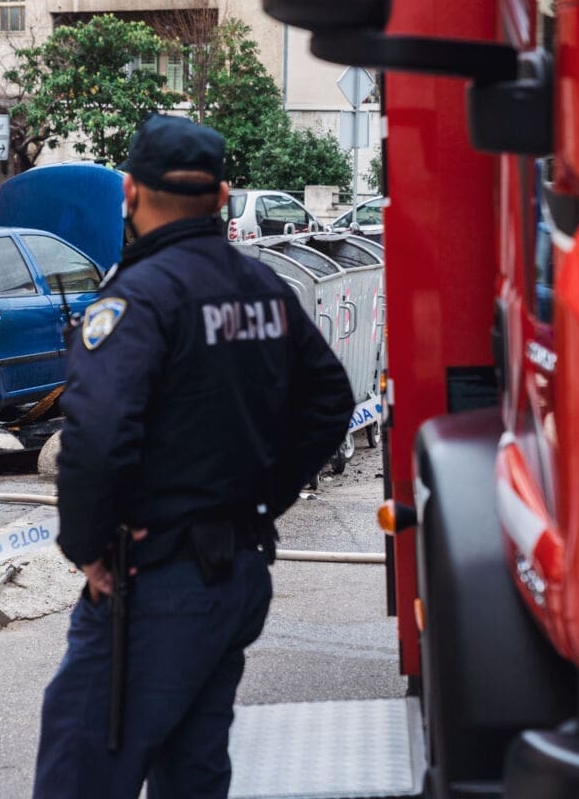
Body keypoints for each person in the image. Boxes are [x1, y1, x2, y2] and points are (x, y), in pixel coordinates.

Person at [33, 114, 354, 798]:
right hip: (235, 574)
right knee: (193, 772)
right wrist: (261, 501)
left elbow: (98, 435)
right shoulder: (263, 288)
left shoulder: (138, 298)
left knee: (80, 773)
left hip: (154, 583)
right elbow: (330, 401)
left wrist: (87, 548)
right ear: (222, 196)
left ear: (129, 192)